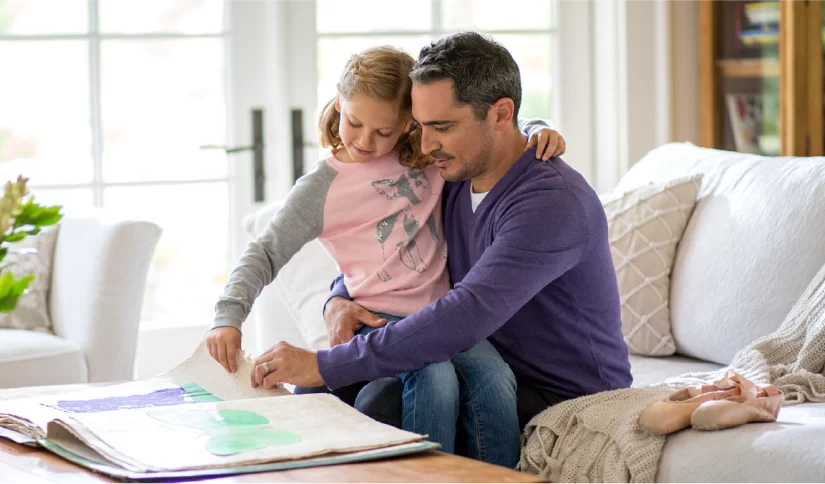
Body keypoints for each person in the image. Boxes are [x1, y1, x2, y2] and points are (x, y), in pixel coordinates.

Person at [248, 32, 634, 468]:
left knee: (380, 401)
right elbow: (402, 245)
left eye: (442, 127)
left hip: (557, 398)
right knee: (327, 397)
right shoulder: (455, 174)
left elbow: (466, 313)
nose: (426, 145)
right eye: (420, 125)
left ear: (501, 114)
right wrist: (339, 296)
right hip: (476, 363)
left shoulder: (552, 203)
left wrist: (325, 363)